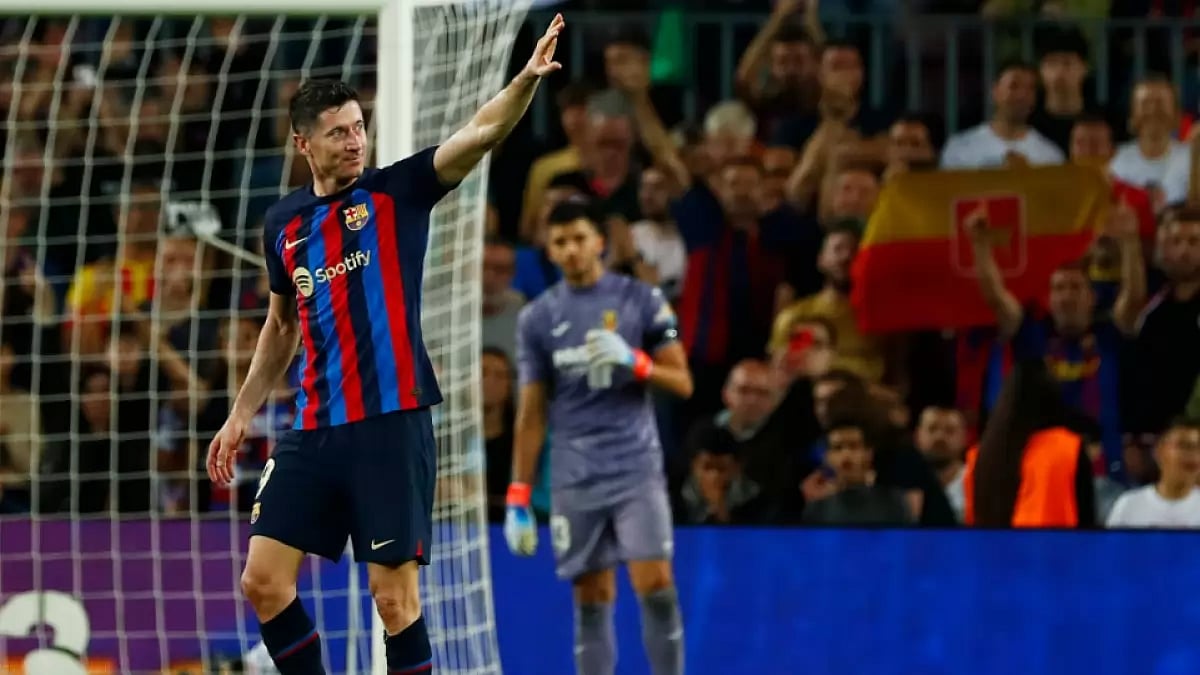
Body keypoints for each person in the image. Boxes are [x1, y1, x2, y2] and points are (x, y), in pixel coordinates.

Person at [204, 15, 567, 675]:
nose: (355, 141)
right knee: (262, 580)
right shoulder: (283, 223)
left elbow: (480, 132)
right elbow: (282, 324)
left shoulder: (398, 191)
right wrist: (240, 413)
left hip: (390, 423)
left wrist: (523, 82)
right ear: (303, 143)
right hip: (314, 426)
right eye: (339, 132)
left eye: (359, 126)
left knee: (393, 600)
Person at [505, 197, 693, 675]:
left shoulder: (641, 299)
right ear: (549, 251)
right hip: (574, 477)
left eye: (579, 239)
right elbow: (531, 413)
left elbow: (683, 382)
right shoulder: (537, 319)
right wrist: (518, 495)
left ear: (600, 243)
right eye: (560, 242)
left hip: (635, 470)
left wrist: (637, 362)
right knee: (592, 596)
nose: (570, 250)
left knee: (655, 585)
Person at [964, 360, 1097, 528]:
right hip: (1057, 552)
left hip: (992, 553)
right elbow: (1087, 524)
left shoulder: (977, 456)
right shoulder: (1069, 448)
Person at [1107, 418, 1200, 528]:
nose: (1193, 454)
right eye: (1184, 445)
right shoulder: (1128, 505)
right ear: (1158, 451)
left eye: (1197, 447)